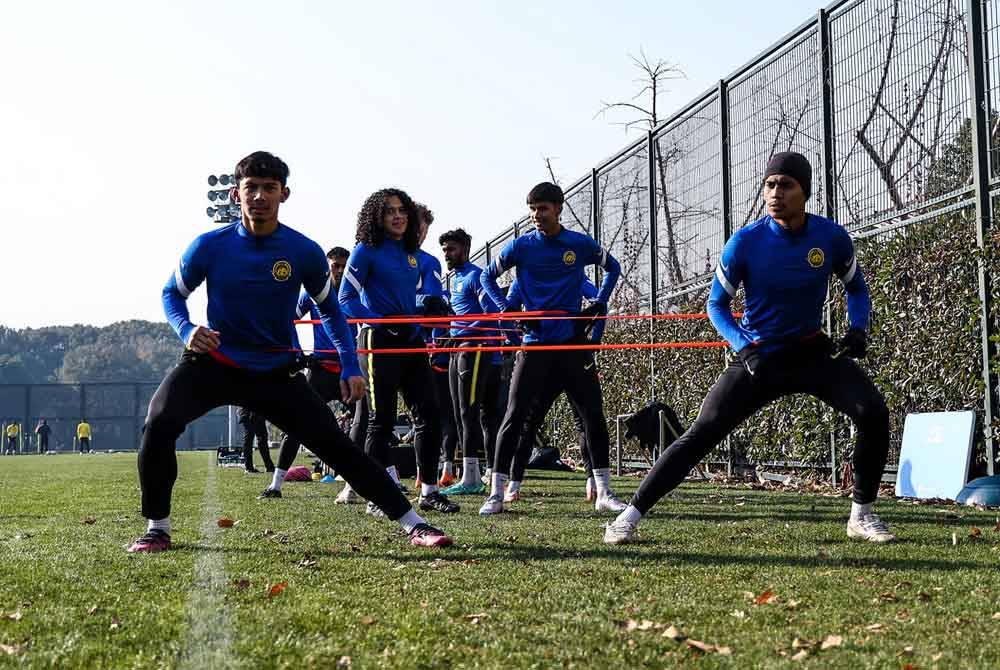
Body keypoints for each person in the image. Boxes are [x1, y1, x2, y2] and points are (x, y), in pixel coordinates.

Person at [128, 151, 451, 553]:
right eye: (251, 188)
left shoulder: (302, 250)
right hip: (214, 362)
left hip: (275, 372)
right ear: (236, 194)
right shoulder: (208, 246)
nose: (259, 196)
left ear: (284, 194)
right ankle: (157, 527)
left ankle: (414, 523)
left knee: (338, 446)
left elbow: (331, 309)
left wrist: (351, 365)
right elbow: (171, 294)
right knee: (158, 424)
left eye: (269, 188)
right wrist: (187, 328)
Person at [604, 152, 894, 545]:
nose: (775, 193)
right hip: (759, 357)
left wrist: (857, 328)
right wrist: (745, 348)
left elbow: (856, 288)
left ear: (804, 191)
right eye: (770, 185)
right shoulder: (744, 243)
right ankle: (627, 517)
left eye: (786, 185)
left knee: (874, 413)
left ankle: (861, 515)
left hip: (812, 353)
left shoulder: (831, 238)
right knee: (700, 434)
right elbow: (715, 306)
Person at [478, 182, 625, 516]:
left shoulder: (579, 244)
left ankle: (603, 491)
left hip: (573, 346)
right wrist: (508, 310)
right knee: (514, 418)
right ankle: (497, 494)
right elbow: (487, 277)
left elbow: (613, 267)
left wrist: (599, 302)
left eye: (542, 209)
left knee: (592, 416)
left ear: (558, 208)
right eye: (532, 209)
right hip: (534, 347)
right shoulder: (521, 247)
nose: (536, 216)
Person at [339, 188, 459, 516]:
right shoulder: (365, 251)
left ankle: (430, 491)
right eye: (389, 211)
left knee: (429, 415)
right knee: (381, 421)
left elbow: (433, 302)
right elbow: (345, 299)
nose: (398, 216)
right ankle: (380, 495)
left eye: (402, 210)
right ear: (376, 217)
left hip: (412, 342)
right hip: (378, 342)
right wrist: (381, 322)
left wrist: (433, 309)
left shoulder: (423, 259)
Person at [504, 276, 605, 502]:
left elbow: (600, 301)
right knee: (529, 422)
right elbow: (506, 313)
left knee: (584, 419)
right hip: (543, 359)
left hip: (570, 358)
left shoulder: (574, 276)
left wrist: (593, 342)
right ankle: (513, 483)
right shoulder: (524, 278)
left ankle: (594, 482)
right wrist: (518, 342)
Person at [260, 247, 351, 498]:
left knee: (371, 423)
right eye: (336, 266)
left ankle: (385, 479)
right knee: (297, 425)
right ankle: (275, 485)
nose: (341, 271)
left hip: (349, 370)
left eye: (345, 266)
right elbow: (287, 319)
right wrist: (298, 352)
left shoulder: (356, 294)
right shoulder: (312, 294)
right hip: (320, 369)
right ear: (327, 266)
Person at [437, 228, 502, 496]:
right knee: (459, 412)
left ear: (465, 248)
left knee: (470, 412)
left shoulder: (476, 276)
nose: (447, 255)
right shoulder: (454, 280)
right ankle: (474, 473)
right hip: (458, 349)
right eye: (444, 251)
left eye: (451, 249)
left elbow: (491, 313)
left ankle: (474, 476)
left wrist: (461, 333)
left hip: (475, 349)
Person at [412, 204, 460, 488]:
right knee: (374, 416)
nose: (419, 233)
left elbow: (437, 303)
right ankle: (360, 480)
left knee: (435, 414)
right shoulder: (375, 255)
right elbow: (352, 301)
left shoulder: (430, 263)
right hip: (385, 344)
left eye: (424, 229)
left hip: (433, 353)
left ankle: (438, 473)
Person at [238, 407, 273, 473]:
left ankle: (269, 467)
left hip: (257, 415)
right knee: (249, 440)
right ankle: (249, 468)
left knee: (262, 440)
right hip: (248, 413)